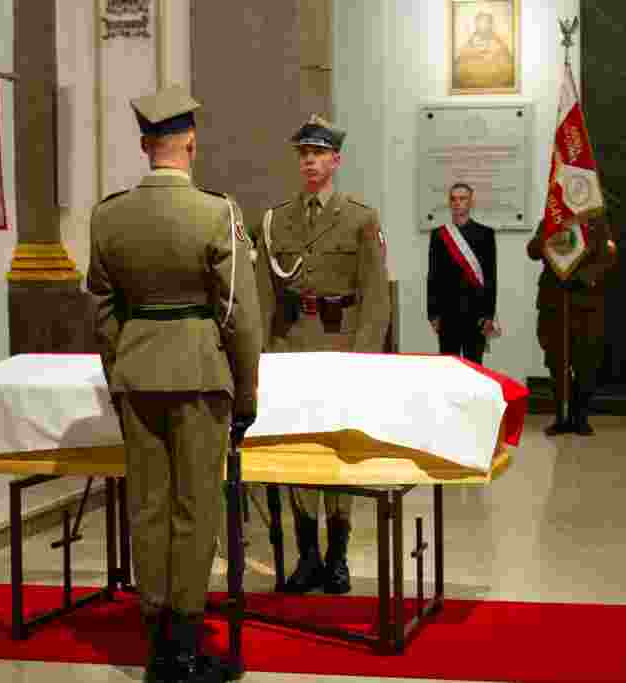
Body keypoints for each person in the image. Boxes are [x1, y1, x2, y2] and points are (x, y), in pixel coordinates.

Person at [87, 85, 262, 683]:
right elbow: (239, 314)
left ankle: (157, 645)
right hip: (199, 375)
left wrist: (120, 374)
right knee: (195, 509)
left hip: (136, 376)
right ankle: (184, 650)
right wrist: (246, 393)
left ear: (145, 145)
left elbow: (103, 312)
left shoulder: (108, 216)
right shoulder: (217, 212)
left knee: (148, 508)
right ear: (191, 141)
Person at [255, 114, 391, 595]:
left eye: (318, 153)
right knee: (297, 450)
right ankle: (308, 553)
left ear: (336, 160)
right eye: (304, 154)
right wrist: (261, 354)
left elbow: (376, 297)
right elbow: (263, 294)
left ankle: (337, 555)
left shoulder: (359, 218)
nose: (309, 161)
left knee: (337, 450)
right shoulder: (276, 220)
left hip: (340, 346)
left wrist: (363, 358)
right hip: (291, 346)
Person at [527, 217, 617, 436]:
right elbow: (533, 251)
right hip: (554, 303)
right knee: (557, 363)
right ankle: (561, 418)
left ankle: (580, 417)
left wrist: (583, 277)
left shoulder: (597, 223)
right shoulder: (551, 219)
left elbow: (608, 257)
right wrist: (549, 233)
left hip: (586, 305)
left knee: (586, 364)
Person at [427, 182, 498, 363]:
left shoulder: (485, 234)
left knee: (474, 366)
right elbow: (433, 276)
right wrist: (432, 313)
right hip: (448, 312)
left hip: (476, 313)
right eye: (453, 199)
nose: (457, 203)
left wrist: (489, 314)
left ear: (471, 202)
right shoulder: (439, 235)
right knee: (448, 365)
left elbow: (490, 277)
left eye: (462, 198)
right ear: (449, 203)